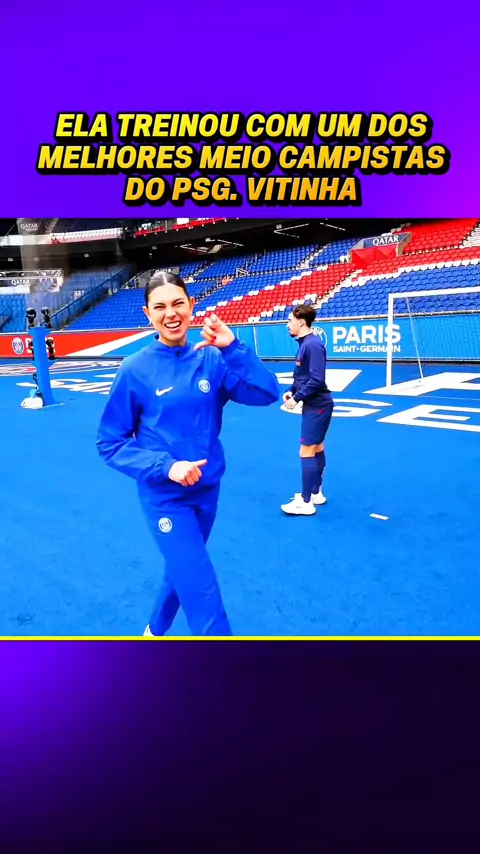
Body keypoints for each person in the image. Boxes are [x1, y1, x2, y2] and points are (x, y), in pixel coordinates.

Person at [96, 271, 280, 637]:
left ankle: (154, 632)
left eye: (178, 303)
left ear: (192, 305)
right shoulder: (135, 369)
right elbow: (110, 442)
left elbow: (267, 393)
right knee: (201, 588)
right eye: (160, 307)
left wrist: (232, 347)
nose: (171, 313)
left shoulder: (212, 359)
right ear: (148, 313)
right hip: (165, 498)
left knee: (182, 570)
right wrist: (167, 467)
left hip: (207, 491)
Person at [281, 304, 334, 516]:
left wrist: (297, 398)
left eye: (290, 321)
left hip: (318, 406)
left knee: (306, 450)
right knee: (317, 447)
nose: (287, 325)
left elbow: (317, 379)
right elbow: (302, 377)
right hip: (316, 405)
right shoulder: (305, 344)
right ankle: (315, 493)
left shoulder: (313, 345)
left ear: (301, 322)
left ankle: (305, 502)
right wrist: (291, 390)